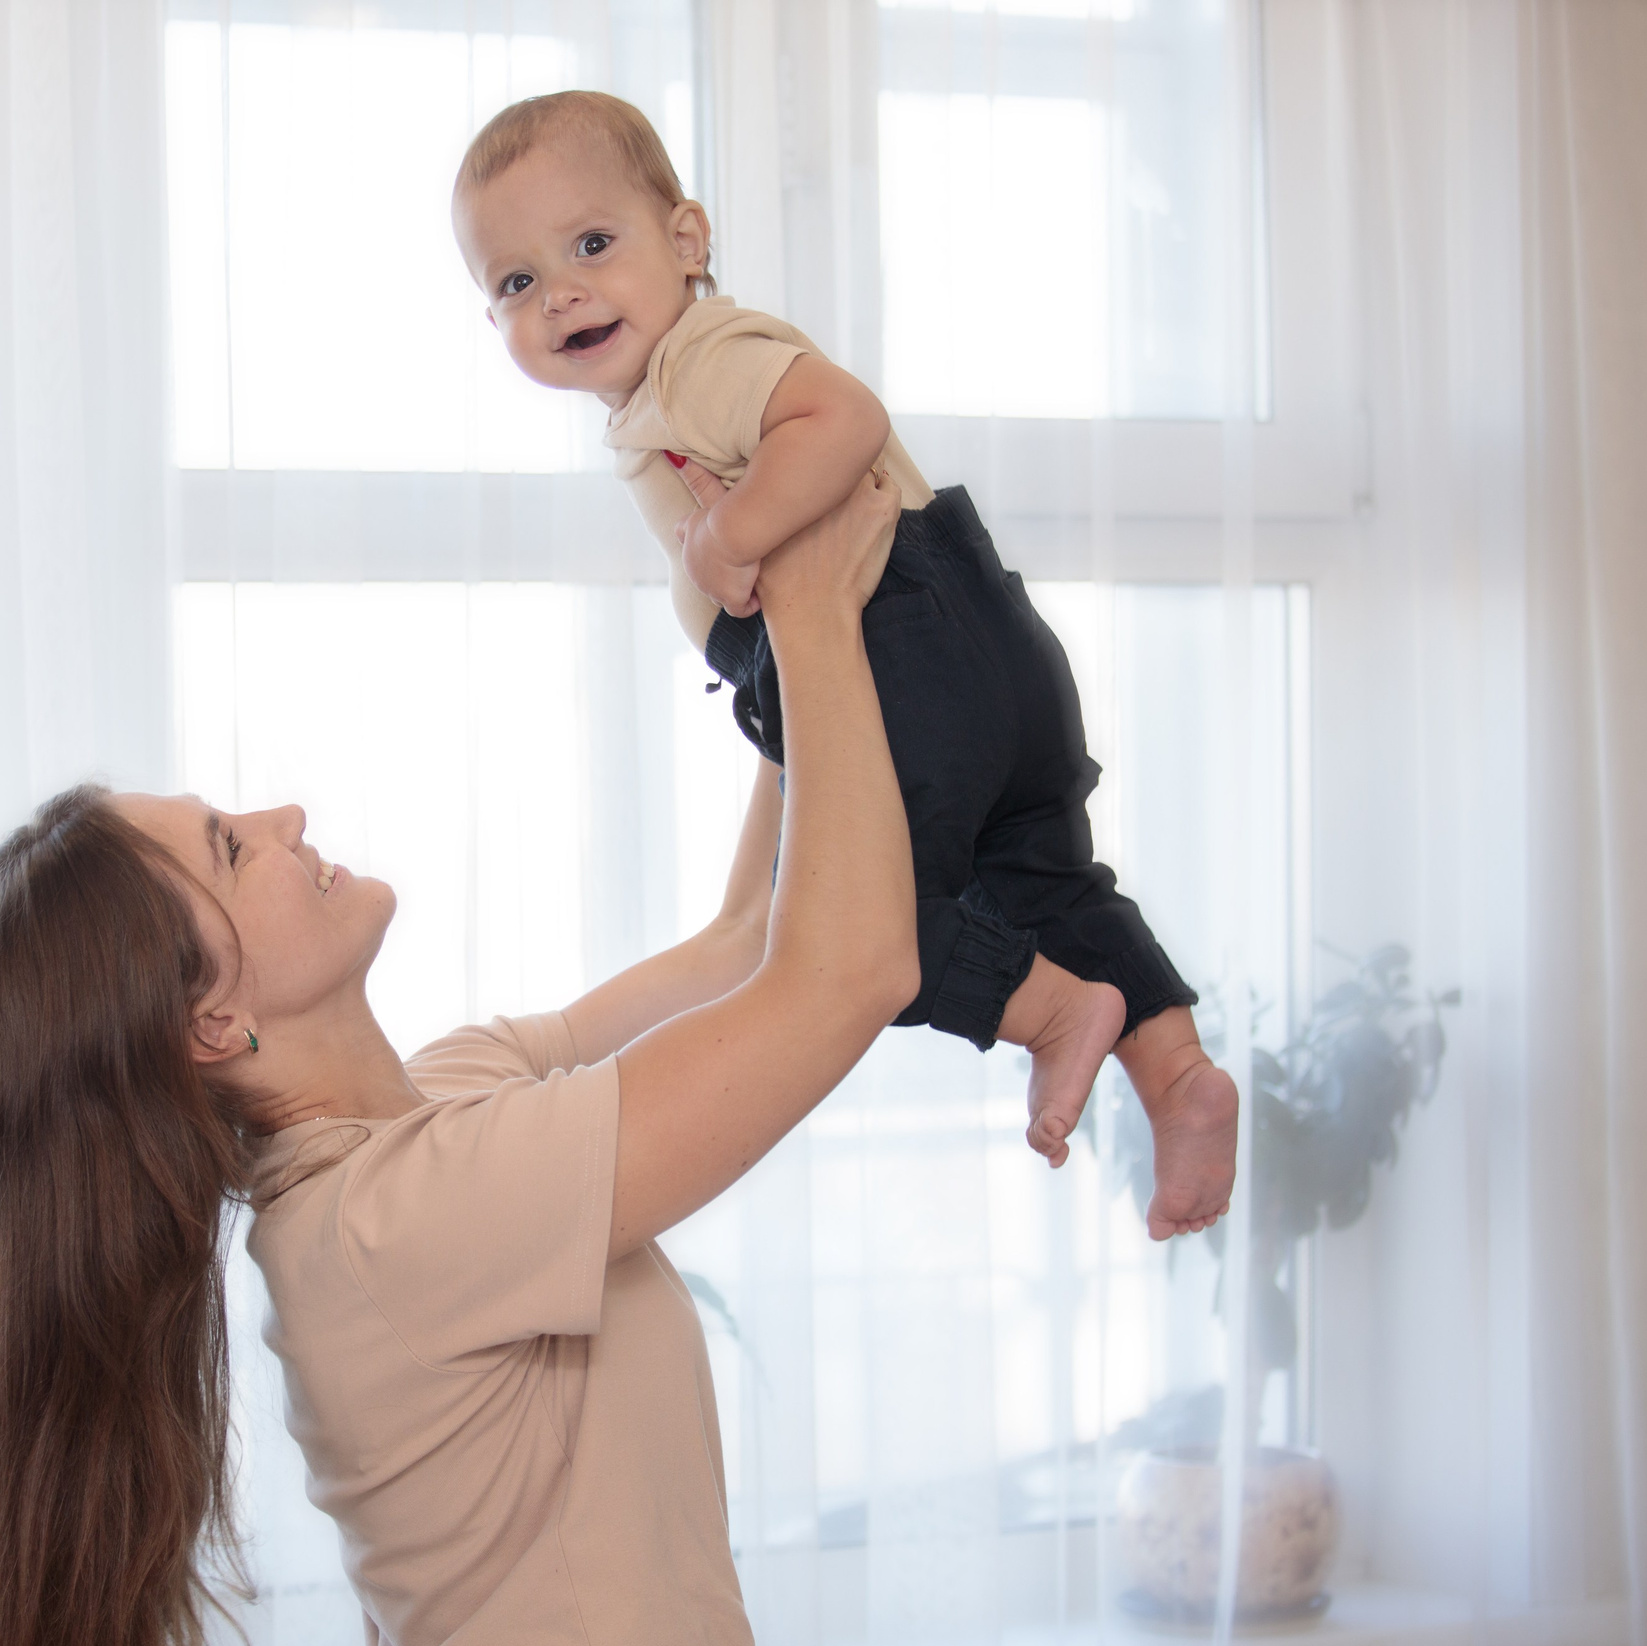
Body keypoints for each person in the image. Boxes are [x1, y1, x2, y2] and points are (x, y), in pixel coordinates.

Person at [0, 470, 923, 1646]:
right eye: (231, 847)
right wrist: (816, 606)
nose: (283, 814)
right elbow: (846, 972)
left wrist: (800, 628)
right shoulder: (395, 1223)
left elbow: (743, 943)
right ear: (211, 1023)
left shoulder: (439, 1109)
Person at [450, 90, 1238, 1239]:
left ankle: (1055, 1014)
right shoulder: (665, 386)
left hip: (897, 641)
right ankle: (1175, 1074)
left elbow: (841, 418)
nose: (557, 291)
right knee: (1047, 877)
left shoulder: (700, 357)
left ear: (685, 242)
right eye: (516, 282)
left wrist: (726, 536)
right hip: (974, 651)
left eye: (590, 245)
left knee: (856, 923)